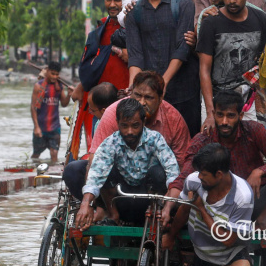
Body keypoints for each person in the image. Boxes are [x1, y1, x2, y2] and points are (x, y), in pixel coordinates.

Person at [164, 91, 266, 233]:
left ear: (240, 116)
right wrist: (167, 207)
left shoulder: (254, 130)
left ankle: (262, 220)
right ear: (213, 114)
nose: (224, 122)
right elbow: (184, 176)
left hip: (250, 204)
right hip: (215, 209)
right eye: (220, 115)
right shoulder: (203, 139)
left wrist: (260, 171)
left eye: (230, 116)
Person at [63, 72, 191, 206]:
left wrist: (170, 205)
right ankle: (104, 210)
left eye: (148, 97)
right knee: (74, 170)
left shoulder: (171, 121)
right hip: (118, 188)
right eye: (137, 95)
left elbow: (179, 167)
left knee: (159, 173)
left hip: (152, 192)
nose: (141, 102)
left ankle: (157, 212)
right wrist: (87, 203)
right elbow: (96, 161)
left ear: (160, 98)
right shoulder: (112, 114)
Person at [161, 143, 254, 266]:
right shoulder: (193, 181)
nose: (199, 178)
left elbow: (228, 240)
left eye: (204, 175)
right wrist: (171, 235)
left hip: (233, 250)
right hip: (205, 252)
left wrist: (201, 209)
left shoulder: (243, 196)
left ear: (219, 174)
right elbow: (183, 210)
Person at [125, 0, 201, 137]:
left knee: (186, 145)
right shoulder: (134, 12)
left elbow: (181, 49)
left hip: (184, 92)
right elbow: (135, 55)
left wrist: (163, 83)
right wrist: (133, 87)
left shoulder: (183, 5)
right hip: (148, 97)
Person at [74, 98, 179, 228]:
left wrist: (168, 207)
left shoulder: (155, 139)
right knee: (106, 171)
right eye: (124, 126)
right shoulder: (110, 143)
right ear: (117, 123)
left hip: (149, 196)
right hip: (121, 197)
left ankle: (153, 214)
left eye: (135, 125)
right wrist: (85, 205)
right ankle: (113, 215)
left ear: (143, 122)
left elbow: (173, 172)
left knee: (158, 172)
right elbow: (95, 176)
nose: (130, 131)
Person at [197, 0, 266, 128]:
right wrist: (210, 112)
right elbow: (204, 70)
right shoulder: (211, 23)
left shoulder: (260, 19)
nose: (232, 1)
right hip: (217, 100)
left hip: (249, 101)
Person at [31, 61, 71, 162]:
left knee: (54, 154)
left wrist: (69, 94)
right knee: (36, 155)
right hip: (41, 127)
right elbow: (33, 108)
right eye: (52, 73)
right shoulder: (38, 86)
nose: (54, 76)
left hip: (55, 127)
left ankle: (53, 175)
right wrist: (36, 127)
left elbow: (64, 104)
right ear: (47, 71)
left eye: (57, 74)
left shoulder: (59, 87)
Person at [83, 82, 119, 152]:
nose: (91, 113)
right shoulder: (98, 123)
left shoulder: (101, 125)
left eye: (92, 110)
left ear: (104, 111)